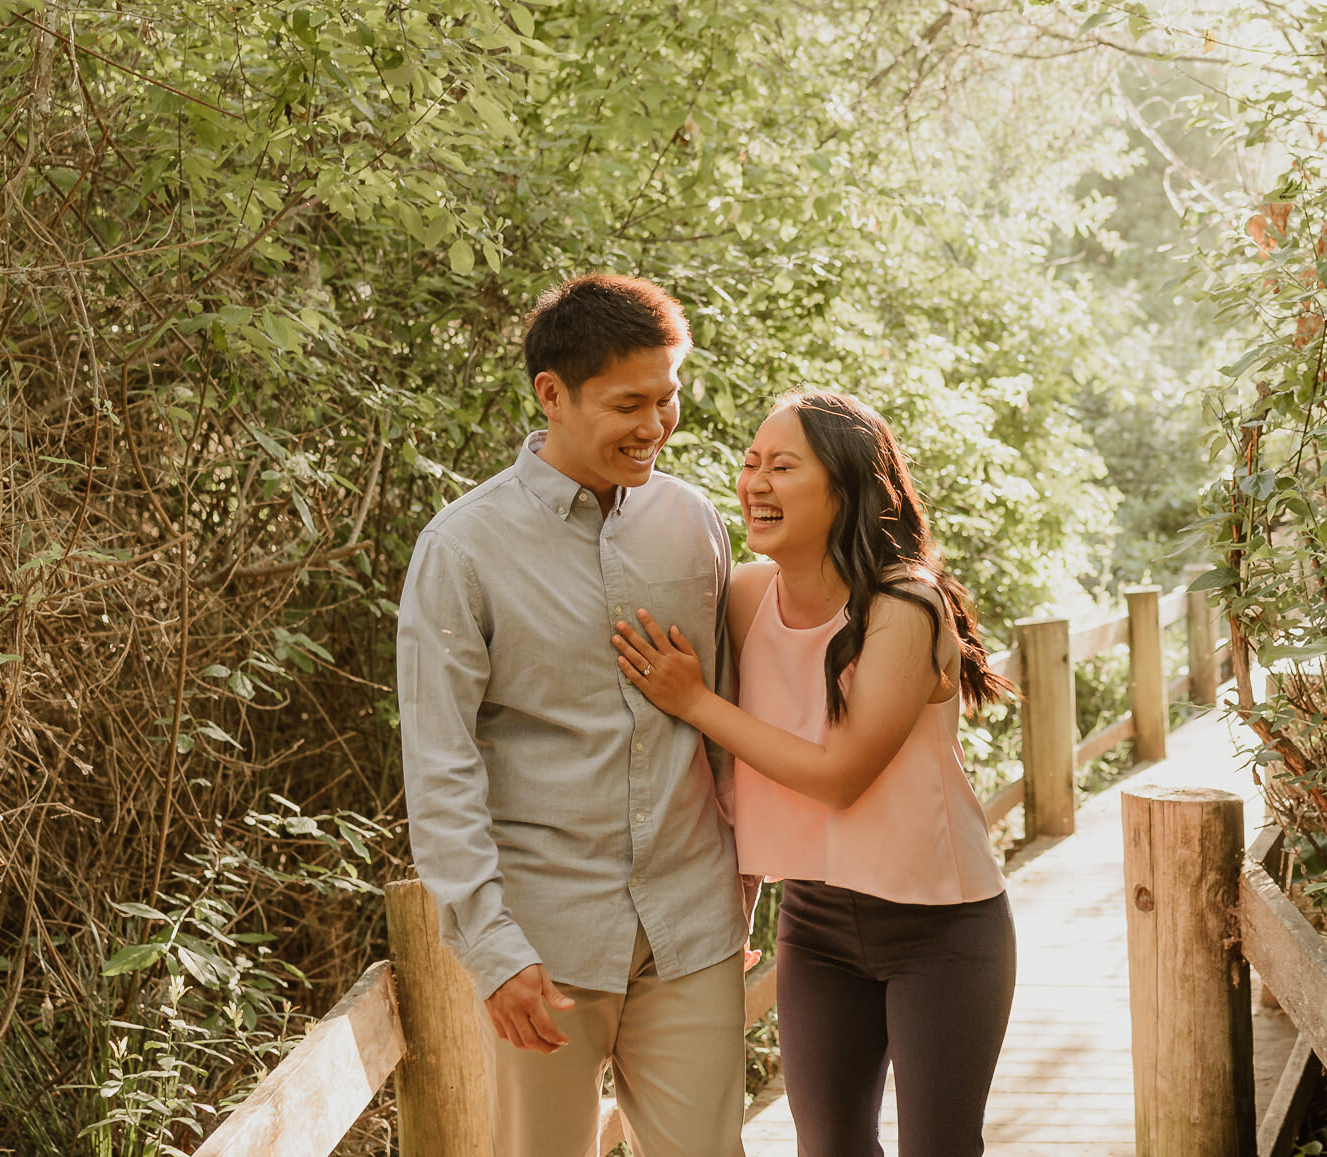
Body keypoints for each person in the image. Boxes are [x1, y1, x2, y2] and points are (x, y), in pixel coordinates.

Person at [397, 274, 749, 1157]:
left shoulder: (694, 522)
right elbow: (440, 764)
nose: (656, 425)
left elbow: (729, 722)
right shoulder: (461, 548)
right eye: (629, 403)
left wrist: (747, 886)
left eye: (667, 398)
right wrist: (490, 945)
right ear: (551, 394)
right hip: (543, 941)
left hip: (693, 923)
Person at [614, 390, 1016, 1157]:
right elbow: (734, 776)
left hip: (942, 927)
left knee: (938, 1146)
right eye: (750, 463)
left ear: (846, 485)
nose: (755, 483)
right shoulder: (744, 598)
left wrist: (694, 698)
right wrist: (730, 909)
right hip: (817, 926)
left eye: (783, 466)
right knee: (828, 1145)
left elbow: (839, 777)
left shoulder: (905, 604)